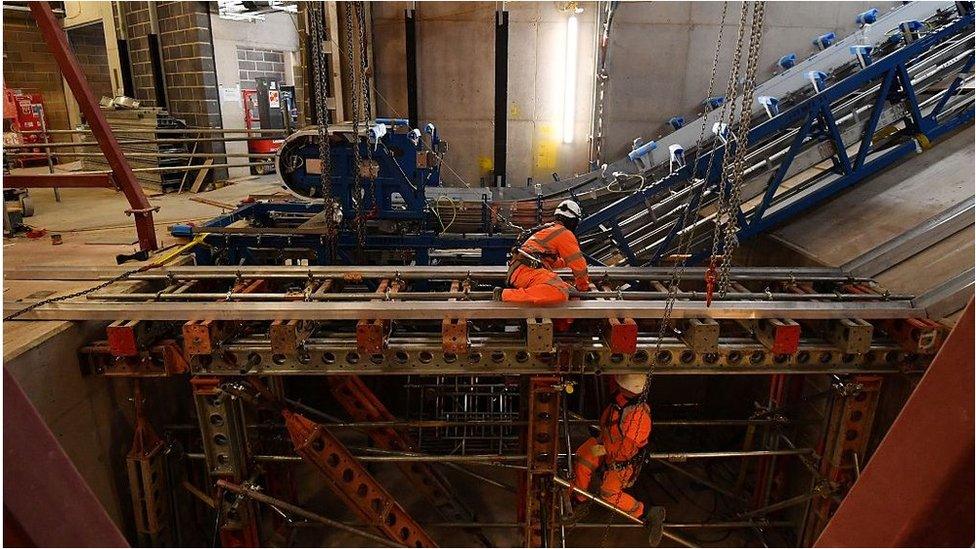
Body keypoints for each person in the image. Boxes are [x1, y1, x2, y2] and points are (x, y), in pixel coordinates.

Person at [568, 373, 666, 545]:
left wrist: (611, 465)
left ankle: (646, 512)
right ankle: (579, 499)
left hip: (621, 463)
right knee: (584, 456)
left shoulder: (638, 417)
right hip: (606, 448)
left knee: (609, 493)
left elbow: (627, 447)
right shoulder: (619, 399)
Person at [494, 200, 590, 305]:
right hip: (527, 273)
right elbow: (579, 266)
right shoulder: (564, 233)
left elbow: (549, 260)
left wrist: (566, 262)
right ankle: (505, 295)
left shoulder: (548, 229)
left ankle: (564, 321)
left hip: (522, 271)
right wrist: (583, 287)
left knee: (569, 291)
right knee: (559, 291)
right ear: (573, 222)